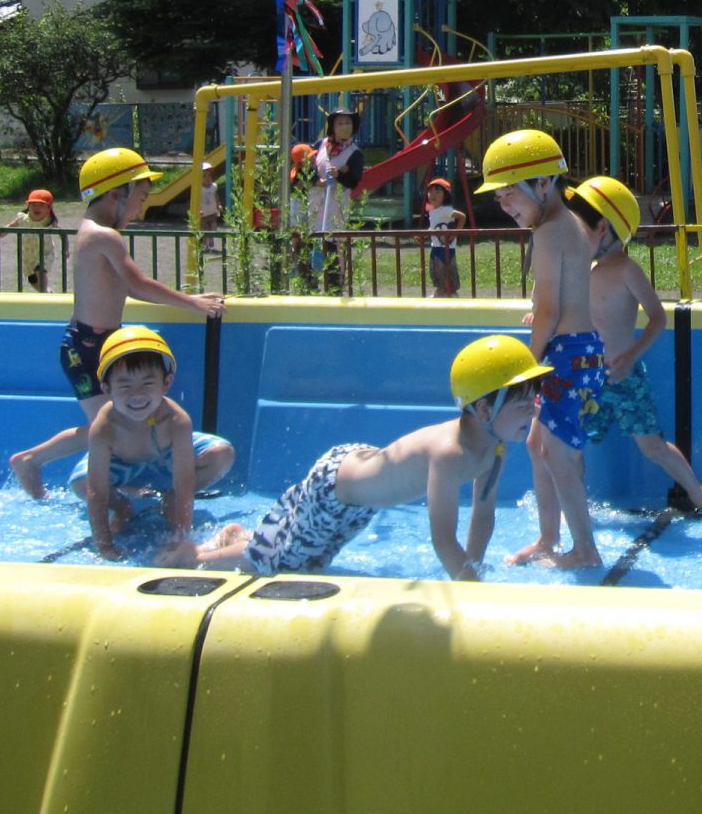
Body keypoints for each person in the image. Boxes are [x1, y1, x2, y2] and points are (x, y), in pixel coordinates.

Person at [159, 335, 550, 579]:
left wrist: (474, 568)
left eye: (533, 400)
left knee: (314, 561)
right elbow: (443, 539)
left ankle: (240, 537)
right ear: (483, 409)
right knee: (280, 567)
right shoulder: (449, 454)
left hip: (361, 495)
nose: (533, 410)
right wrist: (470, 588)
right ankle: (192, 556)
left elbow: (483, 514)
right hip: (336, 488)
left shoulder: (495, 447)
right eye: (522, 404)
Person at [8, 147, 224, 498]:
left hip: (97, 342)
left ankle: (42, 462)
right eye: (140, 198)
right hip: (86, 347)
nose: (141, 208)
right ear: (115, 195)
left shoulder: (90, 229)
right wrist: (193, 303)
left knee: (113, 424)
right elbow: (137, 285)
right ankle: (33, 459)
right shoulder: (104, 235)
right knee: (109, 426)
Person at [567, 174, 702, 516]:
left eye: (578, 229)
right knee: (570, 444)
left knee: (653, 446)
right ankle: (573, 504)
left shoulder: (627, 271)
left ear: (603, 228)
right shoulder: (584, 269)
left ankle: (700, 495)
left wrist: (632, 355)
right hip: (589, 378)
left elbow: (658, 317)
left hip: (625, 378)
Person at [478, 129, 606, 569]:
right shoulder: (569, 225)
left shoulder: (549, 233)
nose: (504, 204)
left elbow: (550, 309)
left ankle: (585, 549)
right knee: (538, 444)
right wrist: (542, 318)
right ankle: (548, 539)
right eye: (499, 196)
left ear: (544, 183)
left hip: (566, 354)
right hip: (579, 351)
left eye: (511, 192)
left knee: (556, 453)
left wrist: (526, 368)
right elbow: (561, 300)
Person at [66, 325, 235, 561]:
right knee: (81, 484)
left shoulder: (176, 420)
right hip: (121, 462)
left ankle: (168, 498)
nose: (137, 394)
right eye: (125, 385)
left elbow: (185, 482)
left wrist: (180, 538)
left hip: (165, 456)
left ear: (166, 383)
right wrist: (104, 544)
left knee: (223, 454)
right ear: (107, 388)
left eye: (147, 383)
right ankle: (122, 505)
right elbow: (97, 492)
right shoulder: (104, 426)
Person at [309, 108, 364, 292]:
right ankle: (310, 286)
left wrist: (339, 175)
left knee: (333, 244)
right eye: (340, 123)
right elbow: (306, 167)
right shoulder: (320, 145)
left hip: (335, 206)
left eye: (348, 123)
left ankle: (334, 286)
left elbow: (354, 181)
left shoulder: (355, 153)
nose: (344, 127)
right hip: (315, 202)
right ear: (332, 126)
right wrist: (317, 181)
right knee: (310, 242)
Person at [4, 188, 59, 292]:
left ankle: (44, 292)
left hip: (45, 253)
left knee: (40, 270)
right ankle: (46, 291)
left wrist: (66, 248)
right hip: (29, 255)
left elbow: (62, 234)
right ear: (28, 206)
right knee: (32, 279)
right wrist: (1, 233)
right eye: (33, 204)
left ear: (48, 208)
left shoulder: (48, 221)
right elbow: (11, 225)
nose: (36, 208)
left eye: (41, 205)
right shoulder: (23, 219)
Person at [424, 177, 465, 298]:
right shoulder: (432, 211)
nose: (433, 195)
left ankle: (451, 293)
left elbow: (462, 217)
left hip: (446, 248)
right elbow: (433, 227)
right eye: (430, 191)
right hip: (436, 247)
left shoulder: (446, 210)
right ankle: (440, 291)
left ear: (445, 195)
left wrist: (456, 233)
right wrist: (424, 236)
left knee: (446, 270)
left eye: (437, 191)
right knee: (435, 270)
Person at [196, 162, 224, 231]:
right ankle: (206, 237)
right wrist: (198, 209)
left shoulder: (213, 186)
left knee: (213, 229)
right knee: (205, 230)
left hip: (212, 213)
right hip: (203, 215)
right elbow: (196, 200)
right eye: (204, 176)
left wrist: (219, 205)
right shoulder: (199, 188)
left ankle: (212, 237)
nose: (207, 178)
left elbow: (216, 196)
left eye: (209, 175)